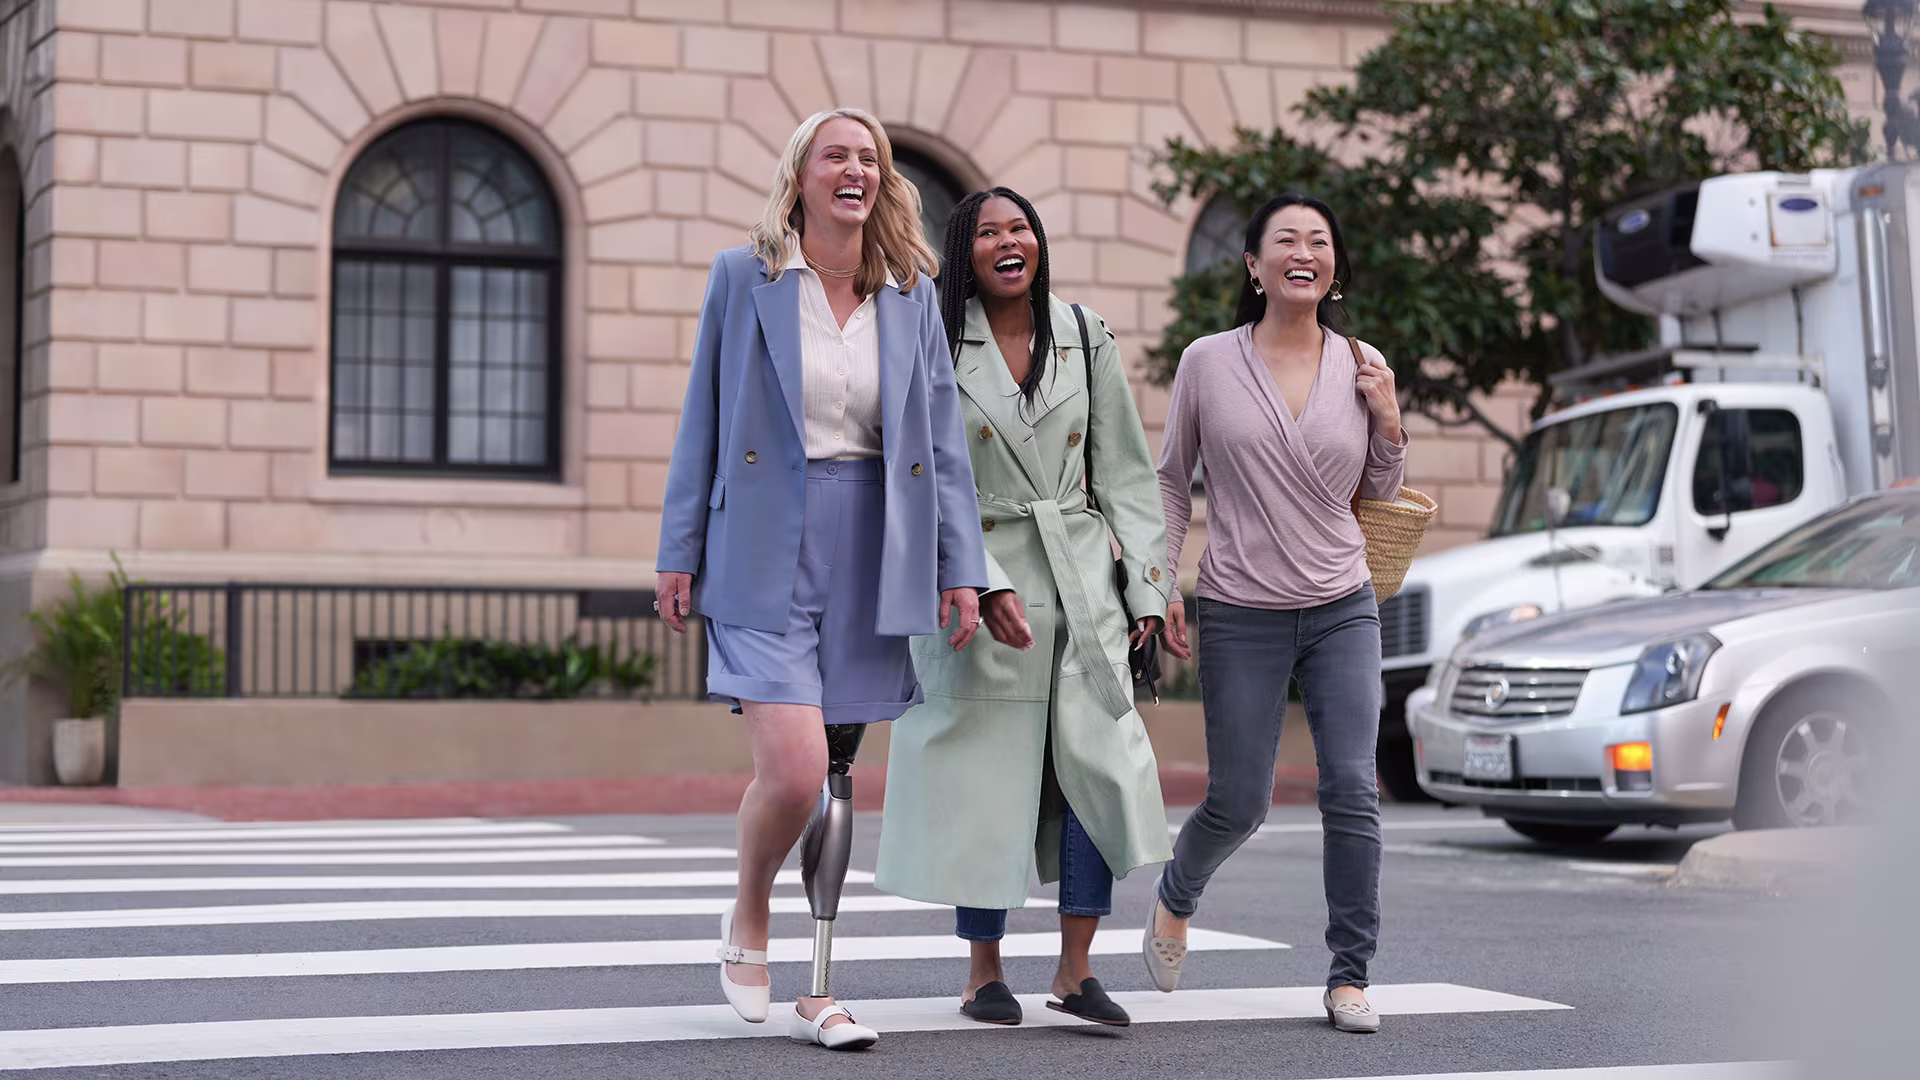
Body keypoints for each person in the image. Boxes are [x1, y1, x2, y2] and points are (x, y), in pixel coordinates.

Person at [655, 107, 989, 1051]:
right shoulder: (744, 277)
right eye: (836, 155)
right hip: (761, 541)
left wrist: (960, 569)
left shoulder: (911, 294)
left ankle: (823, 986)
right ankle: (750, 911)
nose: (856, 169)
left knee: (837, 774)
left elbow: (941, 444)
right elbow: (702, 416)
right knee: (797, 770)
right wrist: (679, 548)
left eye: (869, 158)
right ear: (801, 176)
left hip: (872, 546)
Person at [875, 187, 1175, 1028]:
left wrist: (1148, 590)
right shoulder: (934, 339)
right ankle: (983, 973)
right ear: (963, 252)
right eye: (988, 232)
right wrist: (974, 576)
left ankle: (1076, 970)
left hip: (1081, 584)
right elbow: (919, 474)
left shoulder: (1083, 334)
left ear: (1038, 243)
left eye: (1021, 228)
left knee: (1096, 771)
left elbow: (1126, 475)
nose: (1009, 242)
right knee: (987, 778)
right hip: (975, 581)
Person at [1144, 192, 1407, 1034]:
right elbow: (1170, 481)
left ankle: (1349, 974)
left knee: (1352, 788)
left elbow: (1380, 492)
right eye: (1285, 240)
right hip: (1239, 606)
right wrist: (1161, 585)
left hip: (1341, 603)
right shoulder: (1207, 362)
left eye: (1319, 241)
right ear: (1254, 266)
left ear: (1334, 269)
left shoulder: (1362, 363)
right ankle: (1178, 891)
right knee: (1240, 802)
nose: (1304, 252)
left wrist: (1389, 421)